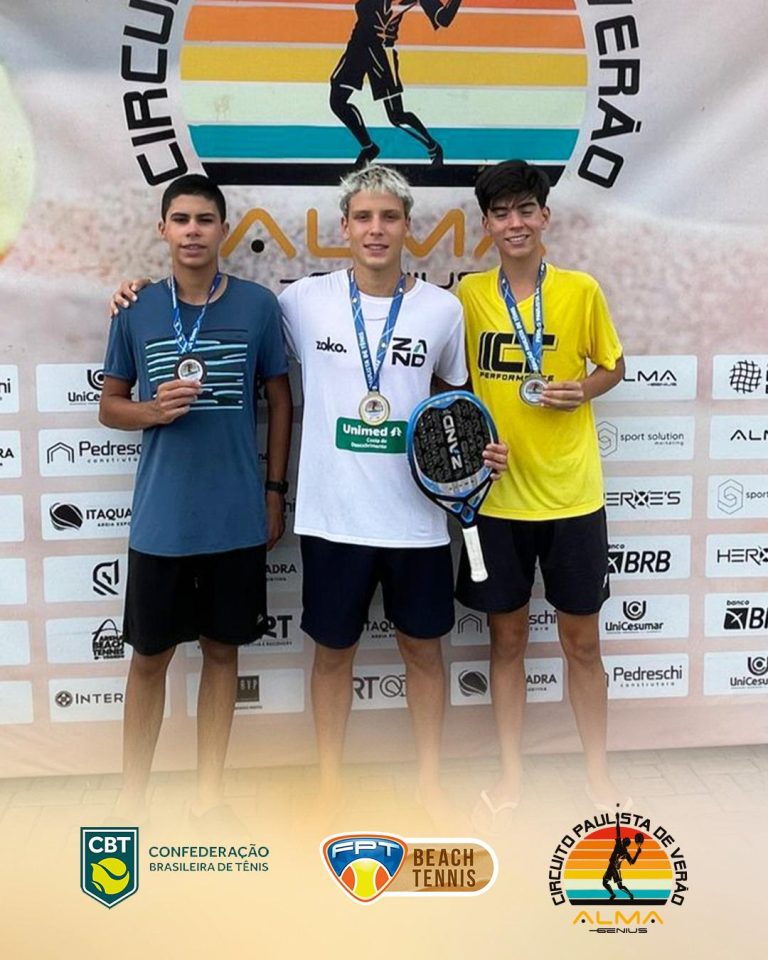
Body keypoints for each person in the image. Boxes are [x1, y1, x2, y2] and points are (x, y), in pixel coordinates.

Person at [278, 164, 506, 820]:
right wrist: (136, 293)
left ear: (408, 226)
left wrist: (481, 453)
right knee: (332, 657)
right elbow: (229, 316)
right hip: (334, 520)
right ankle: (329, 784)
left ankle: (429, 781)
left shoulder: (441, 309)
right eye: (363, 218)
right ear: (344, 228)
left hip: (417, 521)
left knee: (424, 654)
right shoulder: (303, 302)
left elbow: (455, 403)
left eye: (388, 217)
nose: (375, 230)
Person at [100, 174, 292, 826]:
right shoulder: (136, 308)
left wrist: (274, 492)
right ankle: (131, 798)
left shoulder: (258, 306)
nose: (192, 231)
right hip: (162, 522)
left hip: (235, 518)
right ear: (163, 229)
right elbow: (110, 406)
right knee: (148, 660)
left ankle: (209, 795)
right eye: (180, 219)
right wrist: (152, 411)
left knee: (222, 653)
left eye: (204, 220)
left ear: (223, 230)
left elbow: (280, 401)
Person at [456, 159, 627, 829]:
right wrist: (477, 443)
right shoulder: (469, 296)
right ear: (487, 224)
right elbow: (451, 386)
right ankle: (511, 776)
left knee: (583, 644)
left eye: (526, 209)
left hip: (572, 498)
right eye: (501, 213)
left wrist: (581, 390)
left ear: (545, 215)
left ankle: (598, 775)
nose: (515, 223)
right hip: (496, 502)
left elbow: (613, 365)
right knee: (506, 644)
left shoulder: (581, 290)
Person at [330, 0, 464, 167]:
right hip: (358, 45)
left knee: (396, 116)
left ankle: (433, 147)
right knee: (337, 101)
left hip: (381, 50)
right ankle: (368, 147)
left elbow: (443, 18)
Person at [602, 814, 644, 900]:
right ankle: (628, 894)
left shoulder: (618, 845)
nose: (622, 840)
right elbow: (632, 862)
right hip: (615, 868)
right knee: (618, 886)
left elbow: (618, 830)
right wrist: (637, 853)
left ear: (622, 841)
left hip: (613, 867)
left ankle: (614, 894)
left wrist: (617, 819)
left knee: (605, 883)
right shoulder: (626, 853)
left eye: (623, 840)